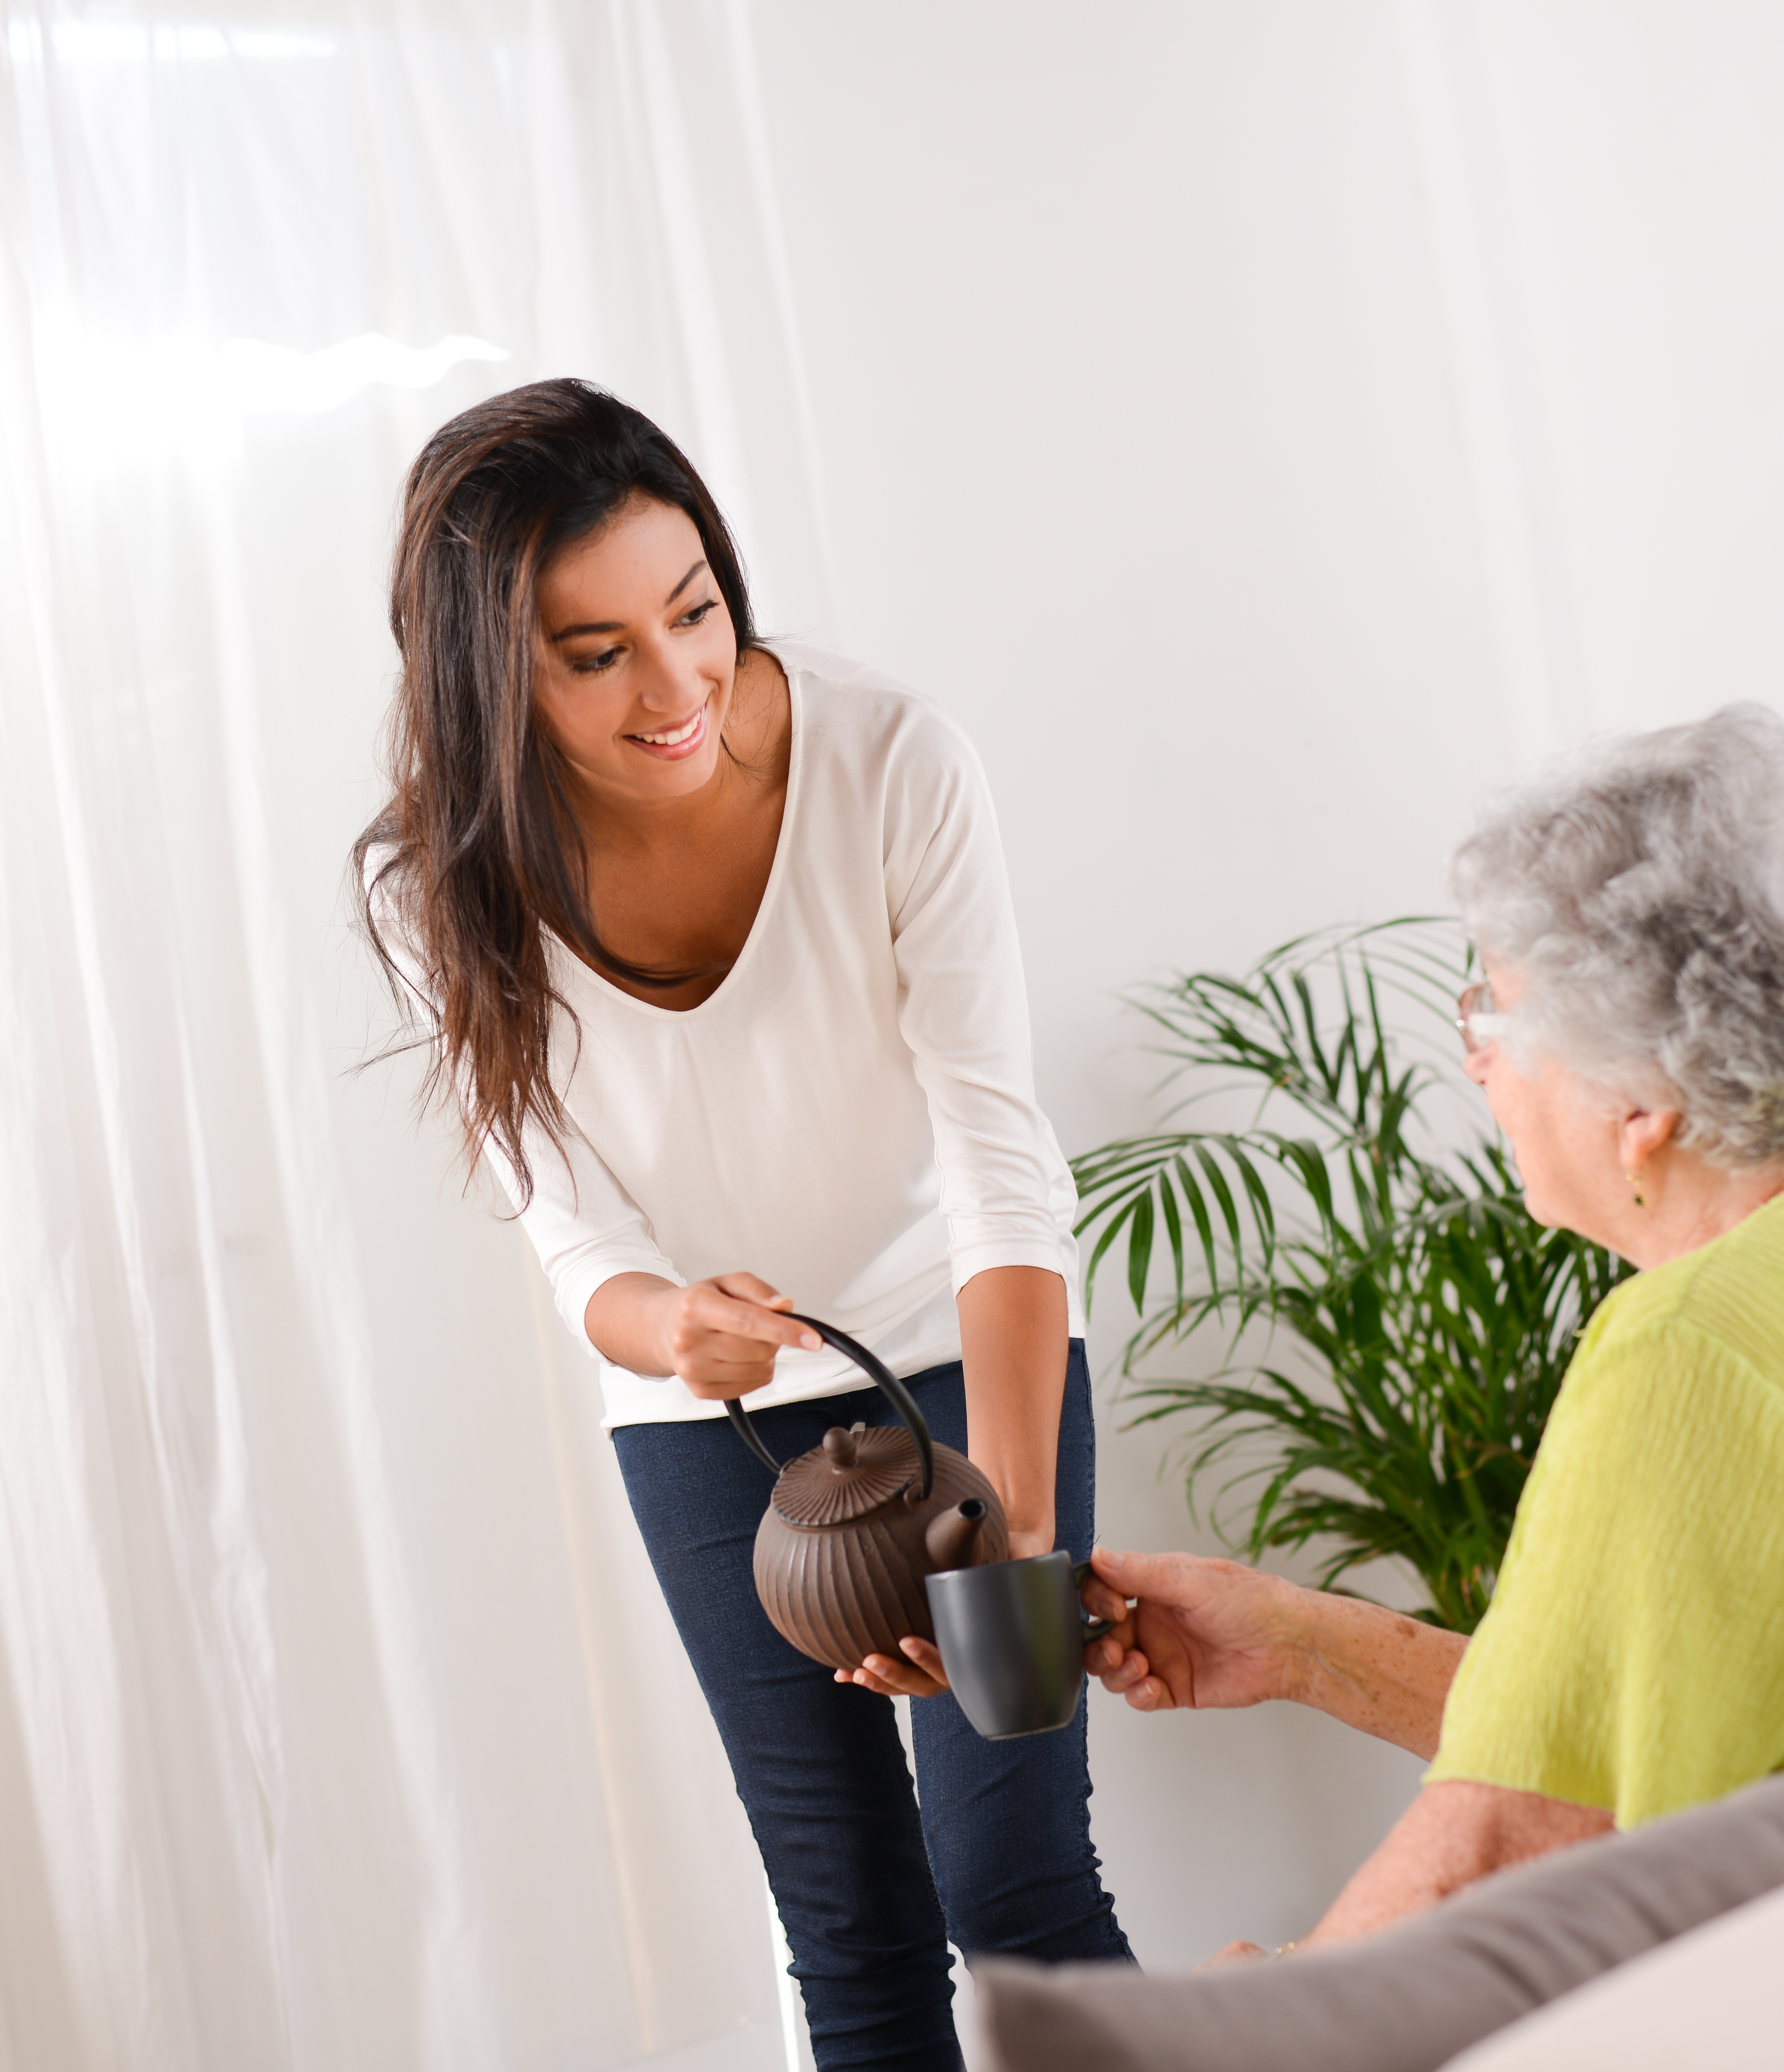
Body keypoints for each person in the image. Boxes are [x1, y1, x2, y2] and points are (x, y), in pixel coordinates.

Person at [1079, 704, 1784, 1956]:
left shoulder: (1692, 1347)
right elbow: (1601, 1753)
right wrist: (1305, 1645)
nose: (1479, 1073)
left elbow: (1502, 1848)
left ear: (1641, 1098)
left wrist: (1262, 2024)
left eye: (1490, 1018)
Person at [357, 378, 1128, 2065]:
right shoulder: (448, 884)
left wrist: (1007, 1516)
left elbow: (998, 1151)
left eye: (693, 609)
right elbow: (571, 1236)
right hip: (703, 1421)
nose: (677, 682)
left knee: (1015, 1880)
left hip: (964, 1343)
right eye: (596, 651)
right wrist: (673, 1328)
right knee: (850, 1929)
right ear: (498, 675)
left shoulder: (890, 758)